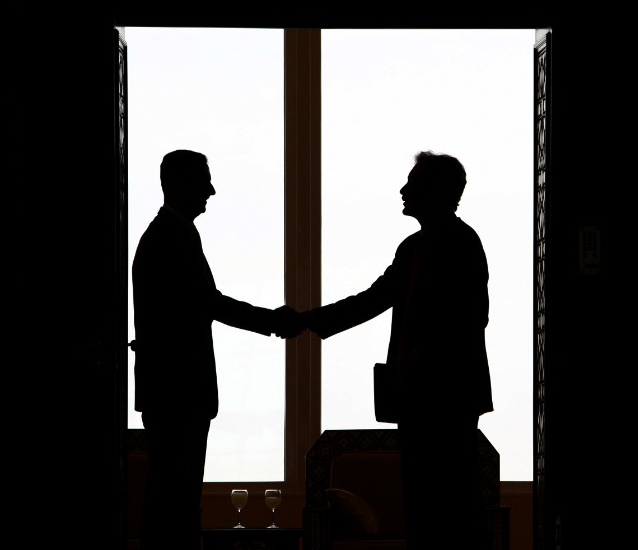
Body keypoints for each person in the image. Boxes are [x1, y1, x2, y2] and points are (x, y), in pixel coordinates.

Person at [301, 151, 494, 550]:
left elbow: (471, 318)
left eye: (413, 183)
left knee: (450, 508)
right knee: (423, 508)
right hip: (417, 395)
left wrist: (420, 358)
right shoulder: (413, 248)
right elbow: (375, 298)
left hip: (448, 396)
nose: (403, 190)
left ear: (437, 191)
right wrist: (309, 320)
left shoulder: (463, 243)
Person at [131, 149, 302, 550]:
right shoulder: (168, 239)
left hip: (174, 389)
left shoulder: (171, 235)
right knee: (173, 501)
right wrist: (274, 321)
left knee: (175, 498)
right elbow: (209, 303)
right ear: (178, 185)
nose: (211, 189)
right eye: (202, 180)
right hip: (177, 389)